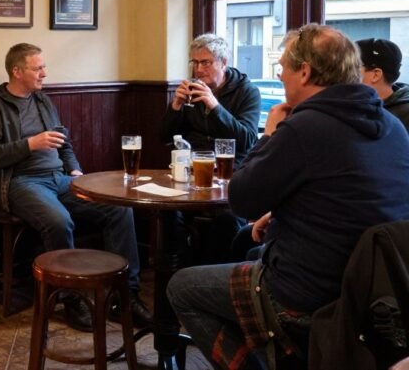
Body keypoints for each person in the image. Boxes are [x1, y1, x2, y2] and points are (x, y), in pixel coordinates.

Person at [167, 24, 409, 370]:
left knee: (182, 288)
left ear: (305, 72)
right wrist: (279, 215)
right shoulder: (392, 126)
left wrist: (268, 134)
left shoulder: (304, 127)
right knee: (248, 248)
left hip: (307, 293)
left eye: (282, 67)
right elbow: (344, 195)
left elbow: (241, 199)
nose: (279, 75)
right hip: (373, 292)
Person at [0, 43, 153, 331]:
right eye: (38, 68)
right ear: (17, 71)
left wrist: (76, 171)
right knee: (59, 221)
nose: (44, 73)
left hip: (60, 177)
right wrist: (30, 144)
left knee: (119, 209)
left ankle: (125, 297)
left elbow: (64, 143)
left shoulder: (42, 100)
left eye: (43, 67)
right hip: (20, 182)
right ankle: (71, 299)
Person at [162, 33, 261, 162]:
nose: (198, 69)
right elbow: (165, 138)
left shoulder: (247, 91)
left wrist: (215, 107)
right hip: (193, 163)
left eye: (205, 63)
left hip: (230, 165)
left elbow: (247, 141)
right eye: (195, 62)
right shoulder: (191, 89)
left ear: (223, 63)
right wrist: (175, 107)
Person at [357, 37, 409, 131]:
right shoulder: (352, 106)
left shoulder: (405, 116)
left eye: (353, 67)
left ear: (376, 75)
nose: (346, 73)